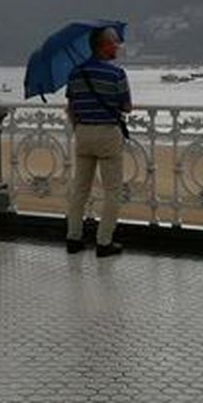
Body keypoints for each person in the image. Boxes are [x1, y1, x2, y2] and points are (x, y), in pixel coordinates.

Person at [64, 26, 131, 258]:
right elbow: (127, 107)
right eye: (114, 43)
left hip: (82, 133)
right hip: (107, 134)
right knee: (112, 190)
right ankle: (104, 242)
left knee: (80, 189)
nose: (117, 47)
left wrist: (79, 125)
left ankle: (73, 238)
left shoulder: (75, 73)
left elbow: (71, 105)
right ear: (103, 46)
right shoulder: (116, 74)